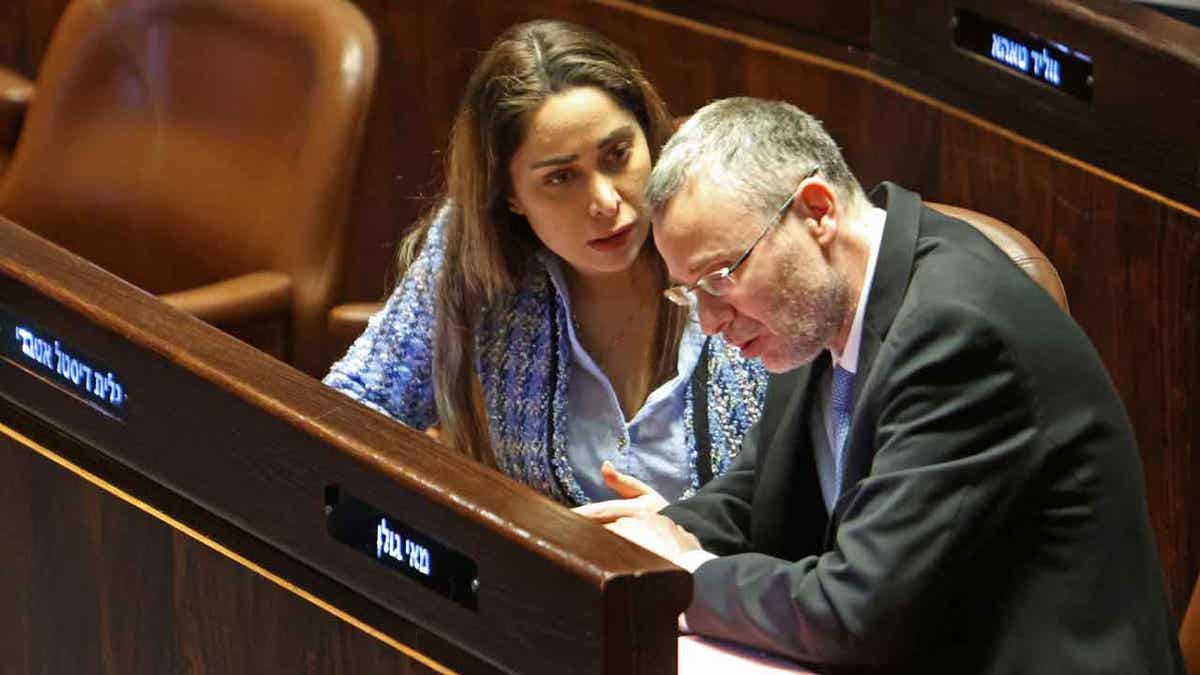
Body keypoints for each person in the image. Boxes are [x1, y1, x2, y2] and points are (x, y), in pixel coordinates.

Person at [591, 97, 1184, 672]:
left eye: (720, 278)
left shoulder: (957, 333)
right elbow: (756, 491)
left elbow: (857, 611)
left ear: (817, 212)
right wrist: (645, 544)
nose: (712, 320)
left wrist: (688, 575)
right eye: (690, 292)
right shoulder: (819, 306)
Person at [323, 21, 767, 506]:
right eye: (561, 178)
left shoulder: (736, 232)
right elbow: (355, 410)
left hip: (721, 575)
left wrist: (689, 535)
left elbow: (818, 495)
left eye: (618, 155)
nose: (605, 200)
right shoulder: (471, 252)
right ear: (510, 195)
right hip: (539, 574)